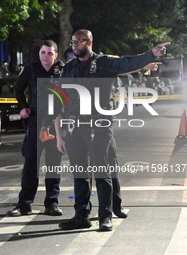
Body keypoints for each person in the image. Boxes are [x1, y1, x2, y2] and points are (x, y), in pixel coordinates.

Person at [43, 29, 169, 231]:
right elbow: (60, 98)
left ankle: (105, 216)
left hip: (98, 125)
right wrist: (50, 126)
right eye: (73, 42)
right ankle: (81, 215)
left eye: (79, 42)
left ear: (89, 42)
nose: (75, 45)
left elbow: (127, 62)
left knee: (102, 171)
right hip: (75, 127)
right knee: (80, 174)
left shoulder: (103, 63)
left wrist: (151, 54)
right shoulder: (70, 68)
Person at [7, 40, 64, 217]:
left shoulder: (62, 71)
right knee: (31, 162)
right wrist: (22, 107)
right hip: (35, 121)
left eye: (49, 53)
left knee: (54, 164)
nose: (45, 56)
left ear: (56, 55)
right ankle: (24, 204)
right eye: (43, 52)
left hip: (55, 123)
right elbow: (18, 89)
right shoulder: (31, 69)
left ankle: (52, 203)